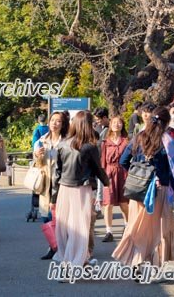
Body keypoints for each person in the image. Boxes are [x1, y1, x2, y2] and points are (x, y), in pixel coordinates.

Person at [113, 106, 174, 266]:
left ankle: (135, 260)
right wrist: (173, 191)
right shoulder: (167, 142)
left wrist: (137, 174)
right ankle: (154, 261)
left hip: (138, 189)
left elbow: (123, 161)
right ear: (166, 123)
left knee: (136, 226)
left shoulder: (139, 137)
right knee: (157, 230)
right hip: (159, 190)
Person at [51, 110, 109, 267]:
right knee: (80, 226)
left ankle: (67, 256)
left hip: (64, 188)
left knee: (64, 225)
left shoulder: (62, 144)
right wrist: (107, 183)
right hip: (81, 189)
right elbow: (98, 169)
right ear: (88, 125)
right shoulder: (90, 147)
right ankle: (77, 259)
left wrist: (53, 197)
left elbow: (57, 172)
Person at [34, 111, 68, 260]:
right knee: (46, 217)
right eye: (52, 120)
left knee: (61, 218)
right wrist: (38, 156)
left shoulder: (67, 141)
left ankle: (63, 247)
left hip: (62, 183)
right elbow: (37, 164)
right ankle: (53, 246)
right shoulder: (41, 141)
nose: (54, 123)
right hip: (46, 183)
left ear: (63, 124)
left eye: (58, 121)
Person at [101, 116, 129, 242]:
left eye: (119, 123)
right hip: (109, 173)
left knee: (124, 203)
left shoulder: (126, 142)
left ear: (122, 125)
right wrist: (103, 177)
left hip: (123, 173)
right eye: (114, 122)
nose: (117, 125)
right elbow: (102, 161)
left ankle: (127, 226)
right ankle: (109, 231)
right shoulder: (105, 142)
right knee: (108, 203)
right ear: (110, 125)